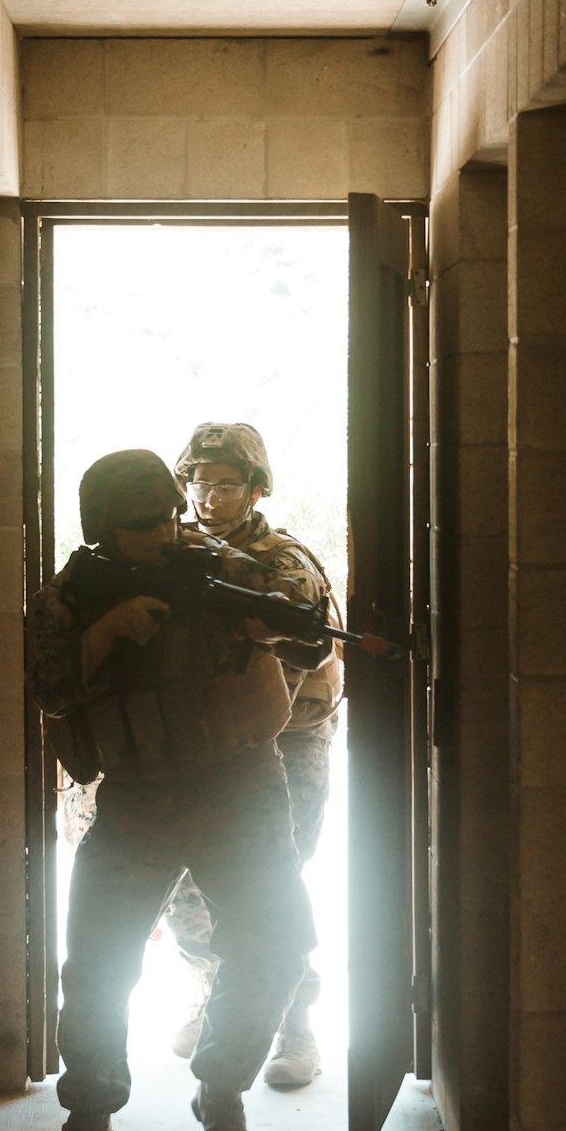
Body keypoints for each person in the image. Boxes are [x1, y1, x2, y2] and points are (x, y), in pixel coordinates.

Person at [27, 448, 329, 1131]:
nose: (164, 533)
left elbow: (311, 628)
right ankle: (91, 1112)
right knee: (99, 962)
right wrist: (104, 634)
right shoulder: (74, 592)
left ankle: (221, 1086)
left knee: (277, 944)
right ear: (103, 528)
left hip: (240, 784)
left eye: (168, 517)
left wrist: (265, 620)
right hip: (139, 794)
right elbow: (46, 687)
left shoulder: (213, 561)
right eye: (142, 526)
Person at [164, 421, 340, 1091]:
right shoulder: (168, 549)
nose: (208, 498)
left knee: (272, 885)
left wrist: (257, 629)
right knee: (187, 886)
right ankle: (217, 997)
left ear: (258, 489)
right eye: (198, 483)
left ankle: (296, 1025)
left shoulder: (283, 563)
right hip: (195, 743)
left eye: (225, 485)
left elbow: (310, 652)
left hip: (282, 740)